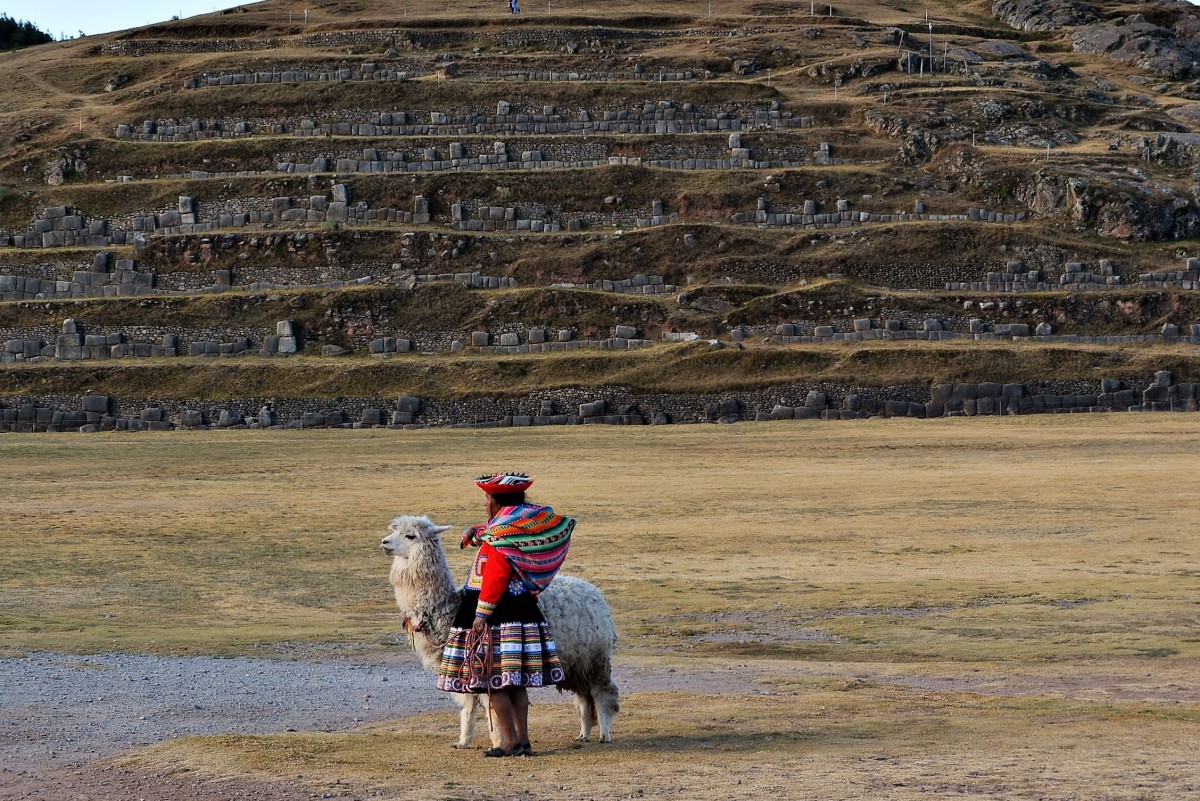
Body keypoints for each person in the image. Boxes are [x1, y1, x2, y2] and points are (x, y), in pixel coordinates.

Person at [437, 472, 573, 756]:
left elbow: (496, 574)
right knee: (516, 682)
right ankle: (523, 741)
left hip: (496, 615)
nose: (485, 503)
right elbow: (494, 534)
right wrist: (479, 532)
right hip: (520, 609)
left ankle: (508, 741)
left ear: (497, 502)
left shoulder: (501, 536)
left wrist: (481, 615)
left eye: (488, 498)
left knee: (494, 681)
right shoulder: (517, 527)